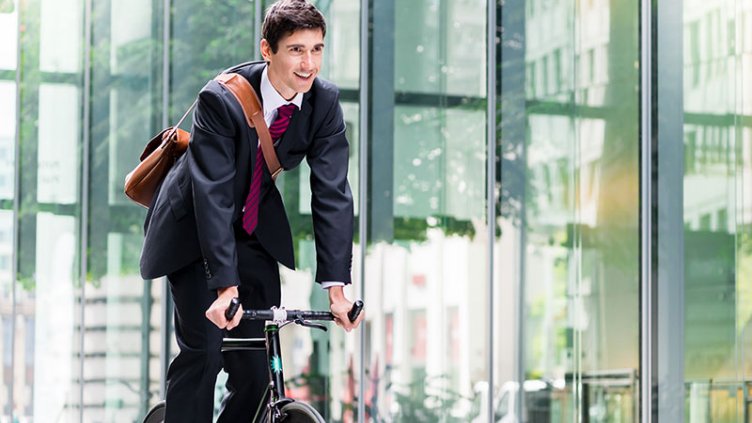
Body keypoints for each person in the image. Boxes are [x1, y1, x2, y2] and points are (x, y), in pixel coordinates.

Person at [138, 0, 363, 421]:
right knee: (203, 354)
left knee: (260, 369)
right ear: (267, 50)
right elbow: (213, 196)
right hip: (194, 231)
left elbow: (332, 193)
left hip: (252, 228)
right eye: (296, 49)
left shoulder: (324, 102)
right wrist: (225, 287)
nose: (308, 63)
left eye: (317, 49)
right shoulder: (221, 99)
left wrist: (337, 290)